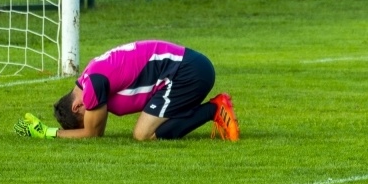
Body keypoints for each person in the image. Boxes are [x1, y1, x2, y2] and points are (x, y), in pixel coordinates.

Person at [14, 40, 240, 141]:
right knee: (149, 127)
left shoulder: (92, 86)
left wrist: (47, 133)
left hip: (187, 72)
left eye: (87, 117)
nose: (94, 119)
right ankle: (212, 109)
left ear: (78, 106)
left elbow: (93, 135)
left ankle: (215, 109)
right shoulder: (90, 78)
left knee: (143, 135)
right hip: (187, 69)